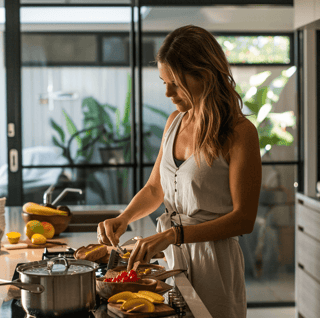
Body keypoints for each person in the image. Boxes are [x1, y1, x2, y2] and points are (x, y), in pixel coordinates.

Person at [97, 24, 262, 318]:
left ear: (205, 74)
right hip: (170, 260)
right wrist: (124, 218)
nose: (168, 92)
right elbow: (154, 190)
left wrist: (175, 234)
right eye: (163, 81)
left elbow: (244, 220)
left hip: (214, 265)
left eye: (174, 82)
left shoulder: (240, 132)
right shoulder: (175, 121)